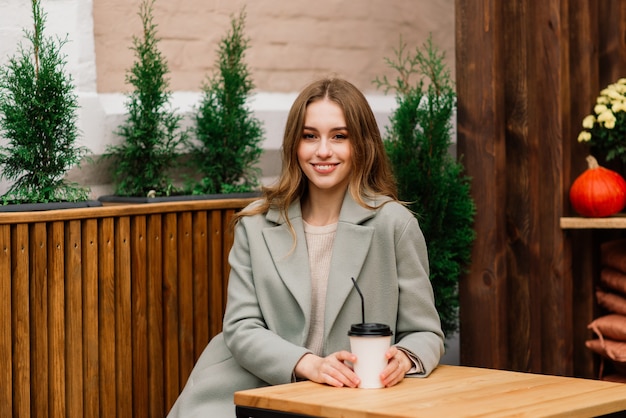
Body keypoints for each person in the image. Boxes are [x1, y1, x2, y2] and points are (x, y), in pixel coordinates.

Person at [167, 77, 445, 417]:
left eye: (339, 136)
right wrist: (307, 364)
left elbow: (425, 333)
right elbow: (240, 328)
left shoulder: (394, 225)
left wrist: (403, 358)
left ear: (363, 144)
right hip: (247, 388)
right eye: (309, 136)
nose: (323, 151)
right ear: (294, 144)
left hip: (352, 399)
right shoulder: (255, 225)